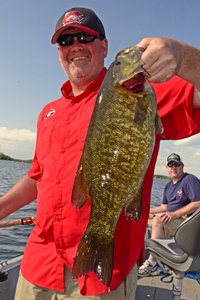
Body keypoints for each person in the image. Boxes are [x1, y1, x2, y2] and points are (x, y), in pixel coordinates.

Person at [0, 6, 200, 300]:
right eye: (66, 41)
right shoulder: (48, 114)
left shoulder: (140, 94)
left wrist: (181, 55)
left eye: (85, 37)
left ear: (104, 47)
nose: (75, 46)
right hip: (37, 268)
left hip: (100, 277)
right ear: (58, 51)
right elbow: (38, 177)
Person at [138, 153, 200, 277]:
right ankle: (136, 257)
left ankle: (152, 263)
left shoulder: (190, 180)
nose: (173, 167)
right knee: (139, 219)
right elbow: (164, 207)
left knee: (158, 220)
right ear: (167, 168)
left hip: (187, 223)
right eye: (170, 165)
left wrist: (174, 214)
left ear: (182, 166)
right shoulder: (168, 186)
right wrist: (145, 210)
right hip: (174, 219)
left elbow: (197, 203)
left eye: (176, 164)